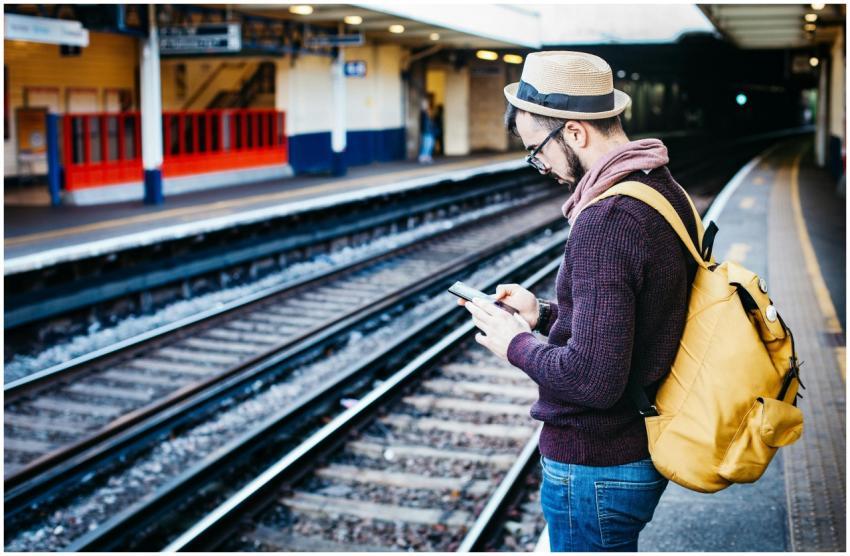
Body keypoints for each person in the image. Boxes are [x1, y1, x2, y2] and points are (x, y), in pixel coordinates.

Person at [459, 51, 700, 551]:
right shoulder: (660, 187)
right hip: (633, 447)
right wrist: (542, 314)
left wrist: (515, 343)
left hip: (597, 463)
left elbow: (592, 379)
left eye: (537, 150)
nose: (539, 166)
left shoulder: (606, 220)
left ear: (574, 132)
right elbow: (636, 318)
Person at [418, 97, 435, 163]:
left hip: (429, 131)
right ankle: (423, 156)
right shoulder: (423, 113)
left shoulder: (427, 113)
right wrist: (423, 131)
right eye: (424, 104)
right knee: (426, 144)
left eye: (426, 104)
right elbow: (423, 123)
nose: (426, 105)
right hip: (426, 131)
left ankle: (427, 156)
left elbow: (429, 122)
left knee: (430, 144)